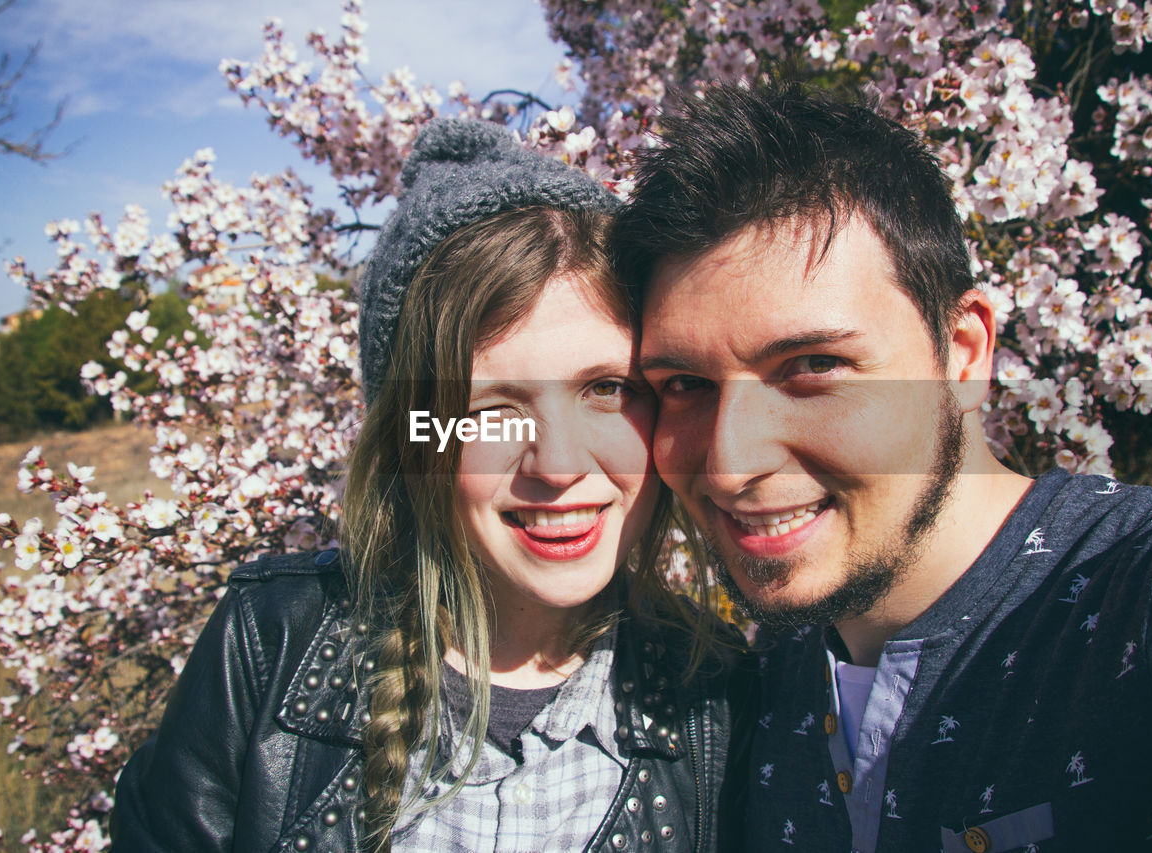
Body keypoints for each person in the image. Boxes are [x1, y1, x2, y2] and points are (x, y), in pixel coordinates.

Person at [112, 118, 749, 852]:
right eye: (490, 410)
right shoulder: (269, 645)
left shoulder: (722, 703)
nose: (558, 464)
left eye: (607, 388)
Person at [611, 81, 1152, 852]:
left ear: (962, 354)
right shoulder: (754, 695)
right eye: (684, 385)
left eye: (813, 364)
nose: (730, 465)